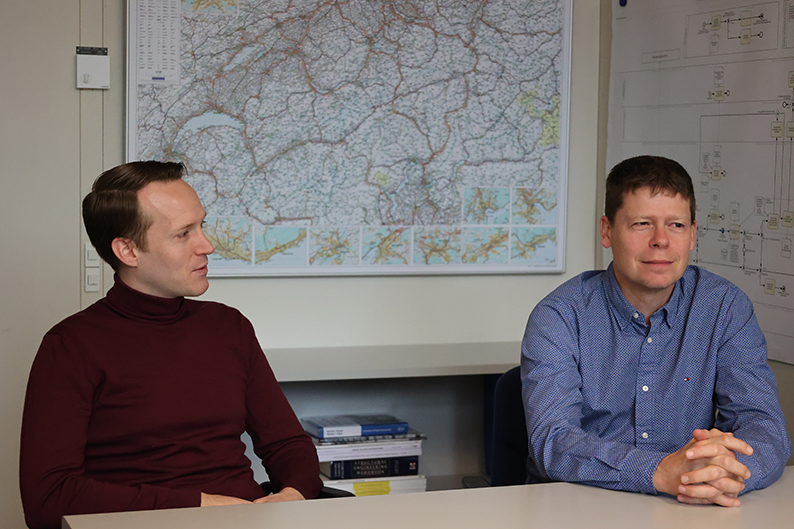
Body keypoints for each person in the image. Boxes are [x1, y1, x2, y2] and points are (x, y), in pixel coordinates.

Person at [20, 161, 322, 529]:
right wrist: (198, 504)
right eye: (183, 234)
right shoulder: (70, 346)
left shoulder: (229, 326)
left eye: (202, 226)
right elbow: (49, 498)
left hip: (245, 519)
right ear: (128, 251)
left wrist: (293, 495)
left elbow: (288, 445)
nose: (207, 245)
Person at [521, 155, 791, 507]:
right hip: (580, 507)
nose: (661, 240)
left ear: (692, 234)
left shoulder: (725, 307)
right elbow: (553, 442)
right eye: (642, 223)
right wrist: (660, 471)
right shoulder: (559, 316)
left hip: (690, 505)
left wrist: (727, 472)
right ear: (607, 230)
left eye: (676, 225)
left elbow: (763, 424)